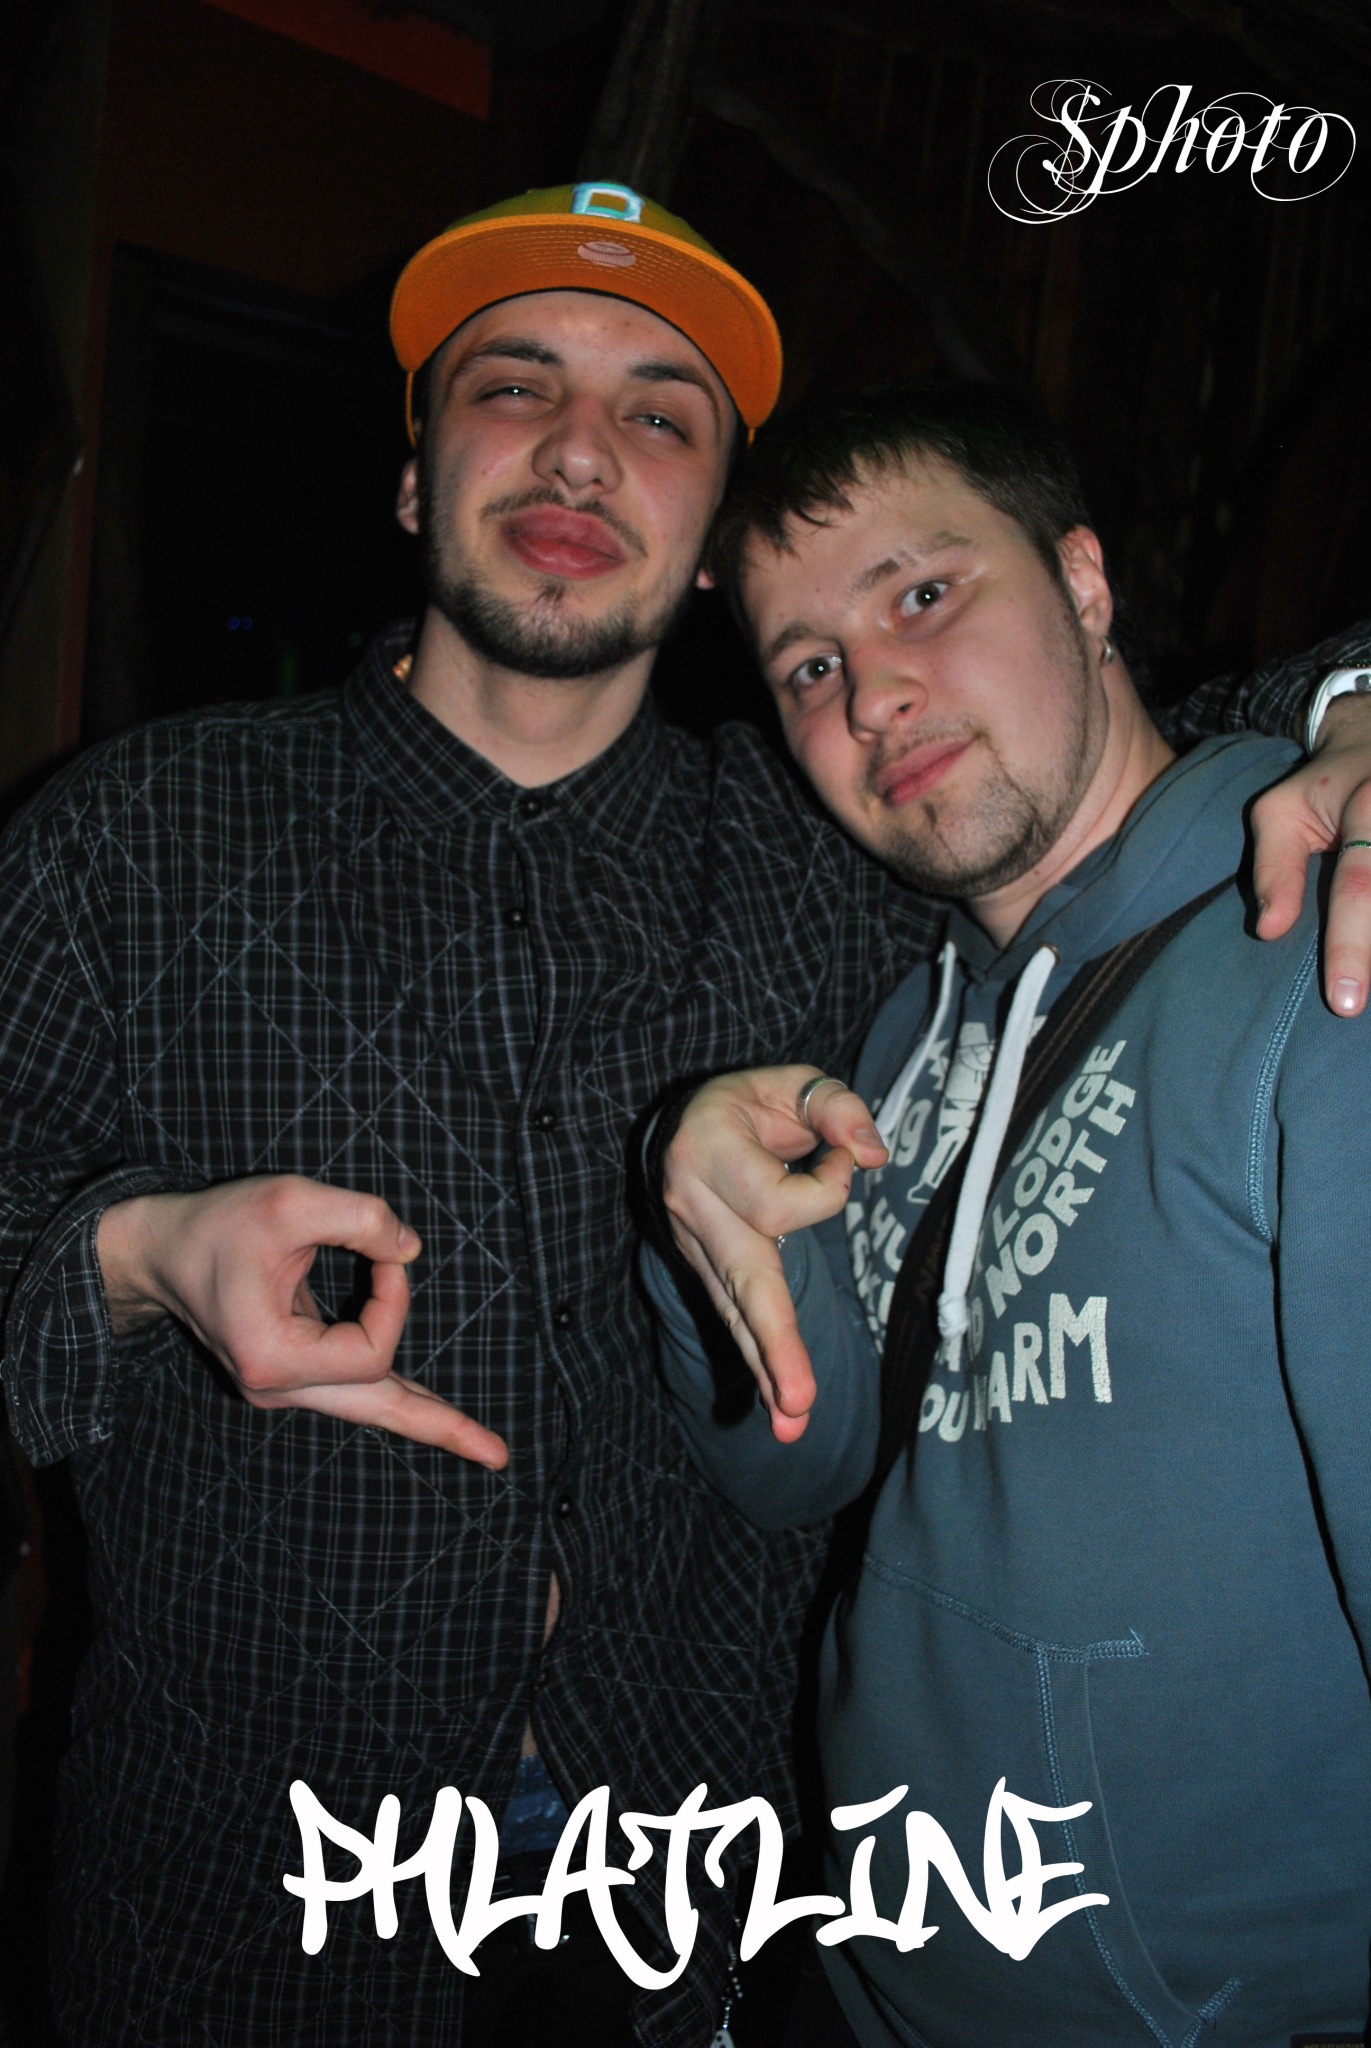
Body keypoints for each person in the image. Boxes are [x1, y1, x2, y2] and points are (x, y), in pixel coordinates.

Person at [0, 186, 1366, 2047]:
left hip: (701, 1907)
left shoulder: (834, 842)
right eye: (514, 386)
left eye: (660, 414)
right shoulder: (125, 840)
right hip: (249, 1903)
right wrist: (131, 1255)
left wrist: (1356, 704)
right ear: (409, 476)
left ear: (712, 548)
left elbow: (1108, 755)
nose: (582, 448)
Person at [644, 379, 1371, 2046]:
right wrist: (717, 1246)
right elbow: (799, 1467)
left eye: (922, 593)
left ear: (1085, 585)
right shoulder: (911, 1037)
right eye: (808, 667)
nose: (874, 695)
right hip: (877, 1972)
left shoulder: (1323, 948)